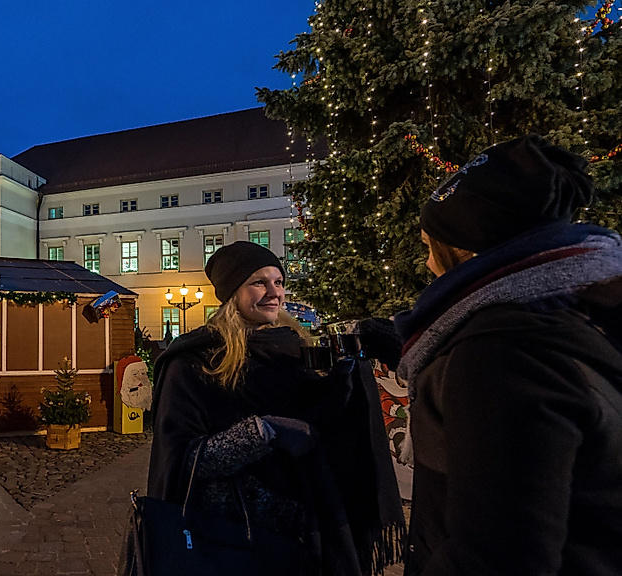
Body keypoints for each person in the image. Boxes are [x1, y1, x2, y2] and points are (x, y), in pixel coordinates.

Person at [395, 135, 622, 575]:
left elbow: (497, 554)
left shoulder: (502, 353)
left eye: (430, 247)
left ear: (468, 249)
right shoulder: (579, 316)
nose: (427, 265)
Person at [146, 241, 404, 575]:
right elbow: (182, 460)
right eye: (258, 282)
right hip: (234, 540)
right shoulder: (196, 361)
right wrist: (263, 431)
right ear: (232, 293)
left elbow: (321, 423)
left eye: (278, 282)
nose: (274, 292)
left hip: (306, 533)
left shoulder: (294, 347)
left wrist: (348, 376)